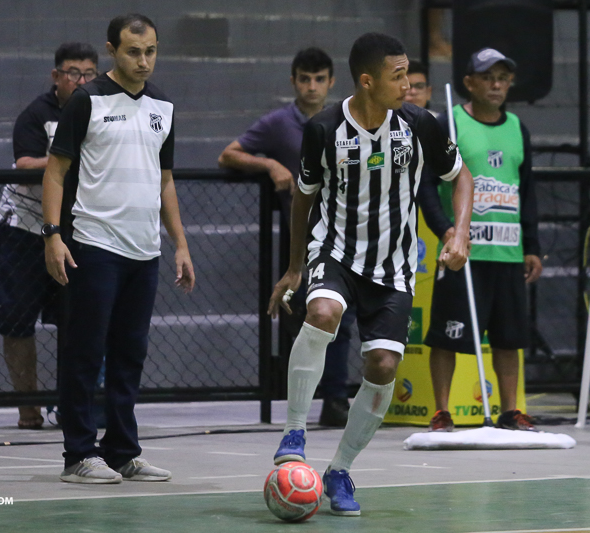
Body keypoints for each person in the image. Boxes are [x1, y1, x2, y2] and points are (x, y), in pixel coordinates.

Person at [268, 32, 474, 515]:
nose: (408, 84)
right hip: (335, 251)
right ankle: (294, 429)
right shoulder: (323, 129)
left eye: (408, 74)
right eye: (397, 75)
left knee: (382, 367)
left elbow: (459, 176)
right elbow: (303, 198)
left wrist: (459, 232)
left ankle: (339, 470)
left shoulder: (420, 125)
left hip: (395, 265)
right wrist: (296, 266)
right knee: (321, 313)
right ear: (367, 81)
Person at [42, 13, 195, 484]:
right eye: (133, 51)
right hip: (93, 245)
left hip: (143, 251)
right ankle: (78, 455)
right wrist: (52, 235)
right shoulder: (86, 101)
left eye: (150, 50)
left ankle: (123, 451)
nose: (143, 60)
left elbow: (165, 181)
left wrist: (180, 245)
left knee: (130, 354)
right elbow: (55, 171)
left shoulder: (163, 106)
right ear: (112, 50)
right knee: (85, 352)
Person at [218, 48, 352, 427]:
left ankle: (337, 399)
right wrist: (270, 163)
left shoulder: (344, 119)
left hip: (344, 236)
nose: (312, 87)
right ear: (293, 81)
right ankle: (299, 408)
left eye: (319, 79)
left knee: (342, 318)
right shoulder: (278, 123)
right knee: (303, 322)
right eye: (305, 79)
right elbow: (228, 154)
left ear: (331, 81)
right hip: (303, 243)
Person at [420, 48, 542, 433]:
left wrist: (532, 245)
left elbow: (529, 190)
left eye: (503, 78)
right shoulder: (449, 124)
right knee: (447, 335)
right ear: (469, 82)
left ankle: (510, 411)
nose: (496, 84)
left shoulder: (517, 128)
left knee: (510, 338)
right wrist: (447, 231)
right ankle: (442, 411)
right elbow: (426, 187)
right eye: (488, 77)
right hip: (462, 254)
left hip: (506, 250)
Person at [0, 42, 99, 430]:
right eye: (73, 74)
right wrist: (66, 155)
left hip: (74, 232)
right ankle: (28, 408)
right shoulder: (36, 115)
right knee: (18, 319)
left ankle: (72, 408)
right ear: (56, 76)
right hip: (24, 228)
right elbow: (26, 164)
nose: (81, 81)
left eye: (88, 74)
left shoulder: (100, 109)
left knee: (75, 321)